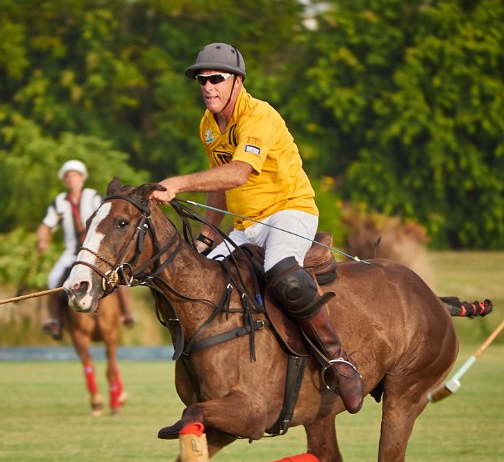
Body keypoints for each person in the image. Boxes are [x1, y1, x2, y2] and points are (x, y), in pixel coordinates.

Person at [149, 43, 364, 413]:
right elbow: (218, 186)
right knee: (196, 279)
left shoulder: (258, 116)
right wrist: (205, 238)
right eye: (202, 80)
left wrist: (178, 184)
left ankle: (338, 361)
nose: (207, 86)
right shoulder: (208, 125)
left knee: (284, 275)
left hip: (288, 212)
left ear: (237, 81)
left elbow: (238, 173)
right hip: (246, 225)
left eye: (216, 78)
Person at [38, 160, 134, 339]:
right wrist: (43, 239)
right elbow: (46, 225)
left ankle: (127, 313)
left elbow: (106, 216)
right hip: (70, 252)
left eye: (75, 176)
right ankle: (54, 320)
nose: (72, 179)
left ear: (82, 178)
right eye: (68, 177)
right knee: (53, 280)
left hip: (95, 249)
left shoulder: (93, 197)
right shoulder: (59, 201)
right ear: (65, 180)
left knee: (115, 275)